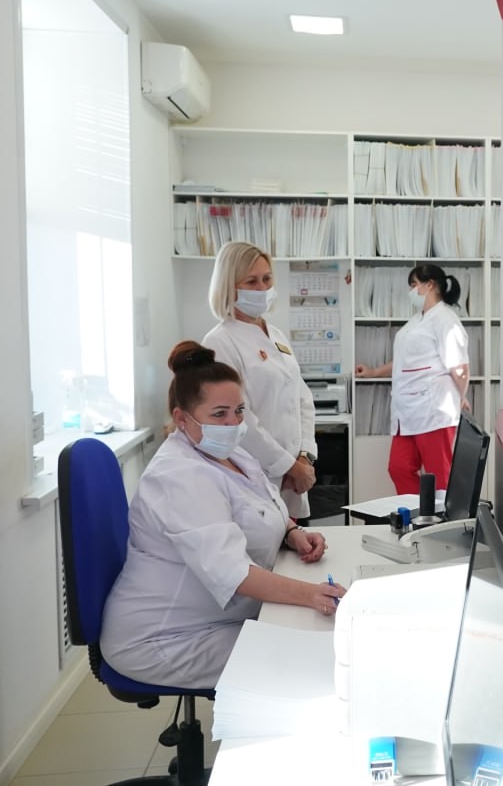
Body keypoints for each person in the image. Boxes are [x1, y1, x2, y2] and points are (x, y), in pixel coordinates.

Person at [100, 341, 345, 689]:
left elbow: (262, 505)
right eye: (219, 414)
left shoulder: (230, 454)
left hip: (216, 615)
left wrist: (292, 533)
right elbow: (234, 574)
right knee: (314, 659)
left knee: (318, 641)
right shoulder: (178, 475)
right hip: (166, 638)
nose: (233, 423)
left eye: (239, 411)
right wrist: (311, 593)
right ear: (181, 418)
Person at [202, 241, 318, 521]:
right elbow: (240, 419)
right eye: (251, 281)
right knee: (266, 541)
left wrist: (305, 456)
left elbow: (301, 397)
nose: (263, 288)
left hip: (295, 474)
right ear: (229, 286)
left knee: (294, 542)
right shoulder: (219, 342)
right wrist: (287, 465)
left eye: (267, 279)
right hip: (256, 474)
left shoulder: (276, 334)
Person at [355, 264, 469, 495]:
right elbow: (406, 361)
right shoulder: (417, 320)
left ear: (430, 285)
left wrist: (461, 396)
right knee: (399, 468)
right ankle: (420, 510)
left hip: (433, 410)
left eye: (414, 285)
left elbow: (460, 367)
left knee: (440, 476)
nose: (411, 291)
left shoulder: (445, 320)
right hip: (406, 413)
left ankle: (444, 516)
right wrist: (374, 372)